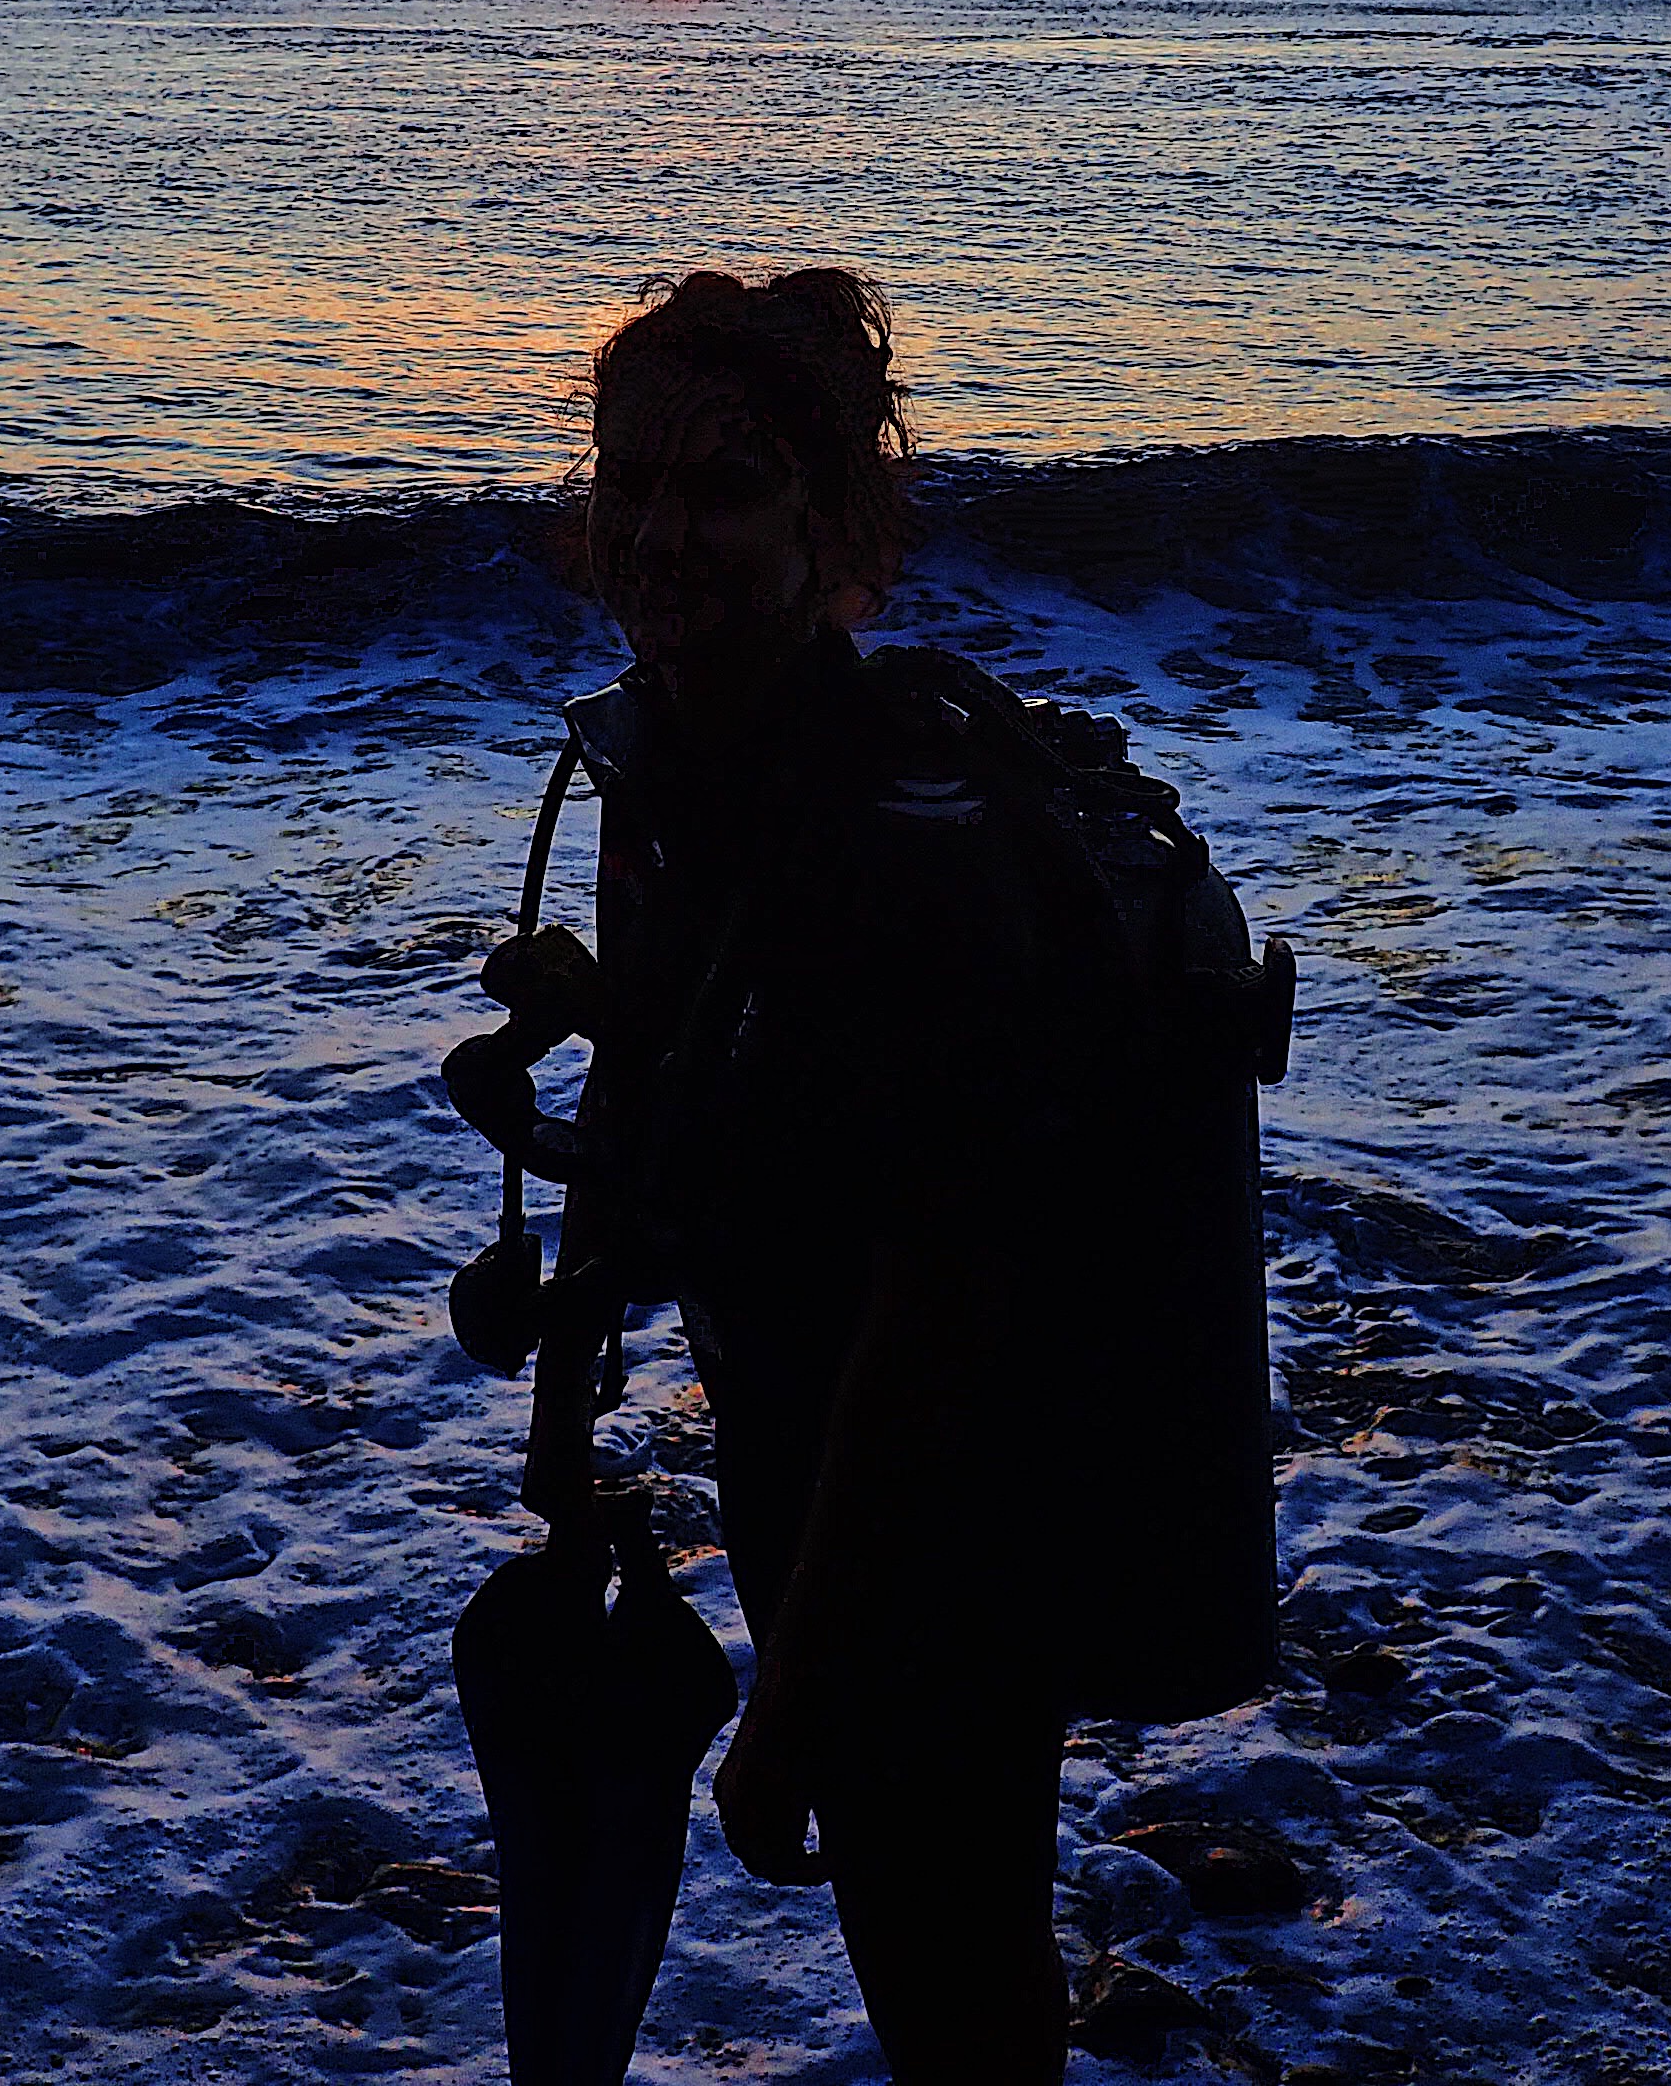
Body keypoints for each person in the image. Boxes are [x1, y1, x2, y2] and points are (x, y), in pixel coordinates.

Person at [561, 266, 1084, 2084]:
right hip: (807, 1469)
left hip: (943, 1505)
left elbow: (940, 1299)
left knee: (957, 1968)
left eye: (720, 489)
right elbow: (703, 1175)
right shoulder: (672, 774)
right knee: (927, 1947)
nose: (658, 535)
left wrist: (798, 1694)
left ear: (828, 527)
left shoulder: (886, 833)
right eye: (629, 483)